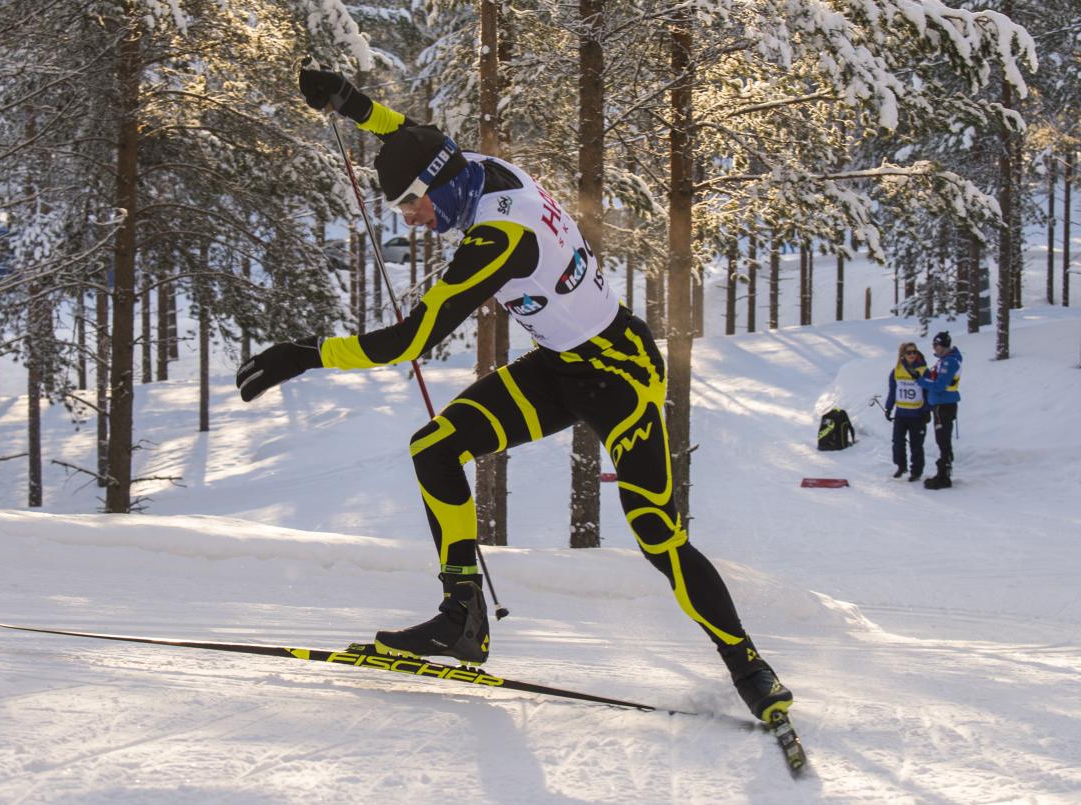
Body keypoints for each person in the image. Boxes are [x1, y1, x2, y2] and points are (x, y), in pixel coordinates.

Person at [235, 66, 793, 723]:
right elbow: (404, 131)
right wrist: (346, 102)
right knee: (436, 448)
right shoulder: (467, 168)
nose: (412, 221)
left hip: (622, 375)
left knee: (657, 535)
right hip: (560, 366)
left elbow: (409, 341)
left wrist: (303, 354)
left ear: (438, 187)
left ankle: (751, 669)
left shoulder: (497, 238)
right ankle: (461, 617)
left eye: (412, 204)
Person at [918, 331, 962, 489]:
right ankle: (944, 470)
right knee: (942, 439)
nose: (934, 348)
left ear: (942, 346)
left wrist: (921, 380)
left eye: (935, 345)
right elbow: (934, 378)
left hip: (944, 405)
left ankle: (943, 475)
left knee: (943, 440)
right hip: (940, 405)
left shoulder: (949, 362)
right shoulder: (943, 361)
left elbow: (938, 385)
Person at [883, 342, 929, 481]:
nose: (912, 355)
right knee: (897, 442)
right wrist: (889, 407)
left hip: (917, 414)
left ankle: (916, 471)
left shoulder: (923, 370)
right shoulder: (896, 370)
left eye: (914, 352)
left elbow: (928, 392)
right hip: (901, 413)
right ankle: (901, 466)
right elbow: (893, 391)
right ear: (903, 354)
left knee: (916, 445)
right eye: (909, 352)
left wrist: (927, 410)